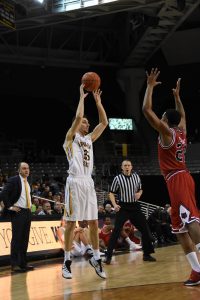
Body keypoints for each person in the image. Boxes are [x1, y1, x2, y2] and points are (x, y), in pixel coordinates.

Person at [142, 68, 200, 286]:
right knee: (179, 229)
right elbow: (183, 116)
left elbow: (147, 110)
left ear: (166, 120)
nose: (162, 119)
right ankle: (197, 270)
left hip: (178, 178)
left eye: (164, 117)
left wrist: (149, 86)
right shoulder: (182, 131)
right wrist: (177, 98)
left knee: (191, 220)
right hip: (179, 178)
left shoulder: (167, 133)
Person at [62, 83, 108, 279]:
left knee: (93, 223)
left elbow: (104, 123)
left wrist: (98, 103)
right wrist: (81, 97)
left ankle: (96, 259)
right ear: (76, 124)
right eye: (85, 123)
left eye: (88, 123)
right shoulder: (70, 139)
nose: (87, 124)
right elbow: (79, 116)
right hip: (74, 183)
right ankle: (66, 262)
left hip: (88, 183)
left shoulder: (89, 139)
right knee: (71, 224)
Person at [104, 159, 156, 264]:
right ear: (122, 167)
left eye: (129, 165)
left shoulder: (136, 177)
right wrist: (114, 205)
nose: (127, 167)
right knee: (116, 230)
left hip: (135, 206)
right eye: (125, 165)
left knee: (145, 229)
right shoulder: (117, 179)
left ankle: (147, 254)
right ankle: (108, 256)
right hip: (123, 207)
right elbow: (111, 193)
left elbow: (140, 189)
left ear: (131, 167)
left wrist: (139, 193)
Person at [0, 162, 34, 272]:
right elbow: (3, 193)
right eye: (24, 168)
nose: (26, 170)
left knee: (25, 239)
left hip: (27, 212)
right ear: (19, 170)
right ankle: (14, 265)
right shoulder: (14, 180)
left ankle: (23, 263)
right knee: (17, 239)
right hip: (18, 212)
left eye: (27, 168)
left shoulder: (28, 182)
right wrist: (10, 206)